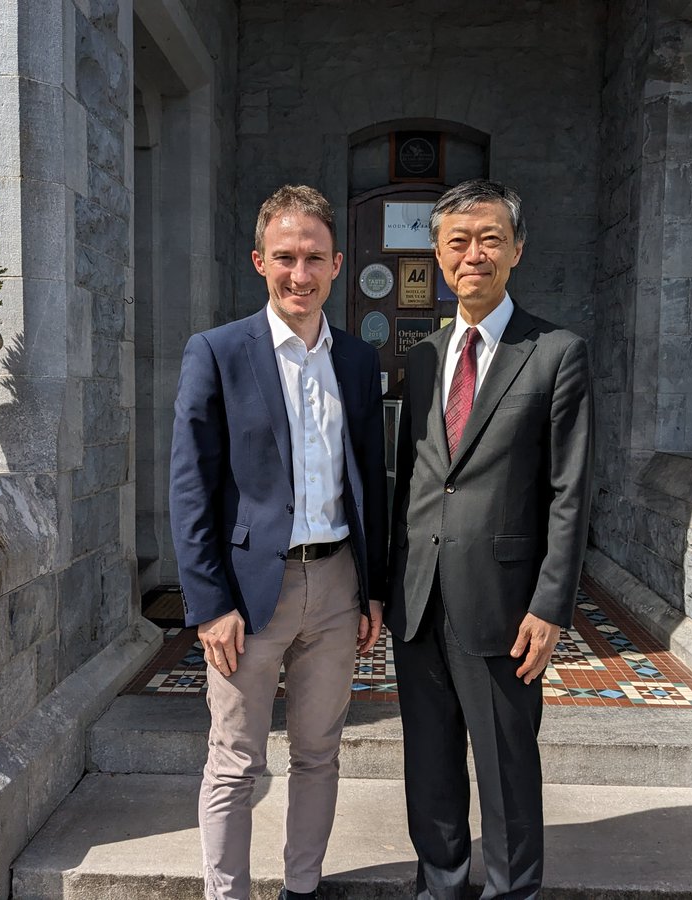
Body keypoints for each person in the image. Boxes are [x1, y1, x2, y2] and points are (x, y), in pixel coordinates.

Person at [170, 184, 387, 900]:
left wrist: (373, 588)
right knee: (235, 760)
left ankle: (302, 888)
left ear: (337, 264)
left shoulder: (356, 360)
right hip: (247, 594)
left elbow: (368, 480)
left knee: (320, 755)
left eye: (315, 258)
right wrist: (208, 605)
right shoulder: (218, 352)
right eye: (286, 258)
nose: (301, 274)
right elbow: (190, 487)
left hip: (336, 587)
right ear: (260, 261)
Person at [387, 179, 594, 899]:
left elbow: (570, 490)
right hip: (418, 600)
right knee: (430, 766)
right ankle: (440, 887)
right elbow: (414, 478)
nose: (473, 254)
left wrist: (552, 605)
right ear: (439, 257)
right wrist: (386, 587)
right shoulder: (422, 356)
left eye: (489, 239)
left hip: (506, 607)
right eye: (457, 242)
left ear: (516, 250)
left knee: (507, 768)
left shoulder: (556, 352)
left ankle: (512, 892)